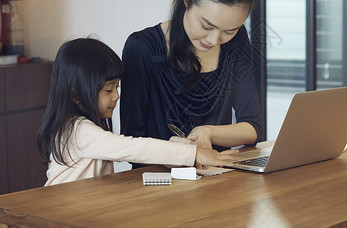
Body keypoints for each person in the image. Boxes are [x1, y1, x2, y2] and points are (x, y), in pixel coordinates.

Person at [120, 0, 263, 168]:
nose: (215, 39)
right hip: (157, 186)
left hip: (218, 179)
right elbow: (130, 142)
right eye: (207, 25)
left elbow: (252, 127)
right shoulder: (142, 48)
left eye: (230, 30)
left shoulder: (236, 41)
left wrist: (209, 132)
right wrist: (175, 153)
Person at [36, 38, 238, 186]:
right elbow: (130, 148)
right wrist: (194, 153)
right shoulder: (76, 130)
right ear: (75, 95)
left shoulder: (84, 128)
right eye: (108, 90)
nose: (116, 96)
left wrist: (176, 150)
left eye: (117, 87)